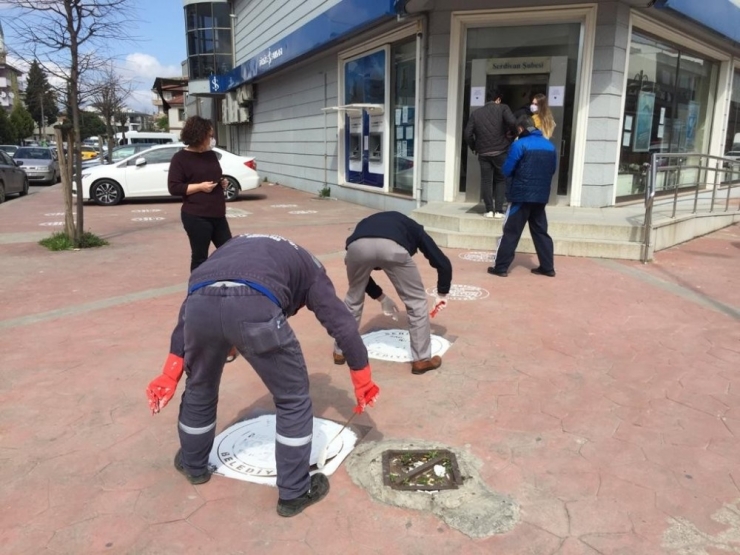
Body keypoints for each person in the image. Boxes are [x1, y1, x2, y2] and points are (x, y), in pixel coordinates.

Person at [145, 234, 379, 518]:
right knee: (293, 398)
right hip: (255, 306)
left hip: (200, 303)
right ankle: (294, 492)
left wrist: (170, 373)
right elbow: (341, 322)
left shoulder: (228, 250)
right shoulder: (310, 266)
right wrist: (362, 376)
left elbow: (189, 313)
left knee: (200, 387)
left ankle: (193, 465)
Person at [333, 211, 452, 375]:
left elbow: (362, 278)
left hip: (356, 247)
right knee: (415, 301)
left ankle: (340, 352)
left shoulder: (367, 223)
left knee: (353, 299)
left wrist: (381, 297)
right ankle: (422, 360)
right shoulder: (416, 229)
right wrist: (442, 293)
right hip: (392, 248)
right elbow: (442, 262)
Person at [487, 115, 558, 278]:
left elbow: (507, 169)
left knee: (511, 232)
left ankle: (501, 267)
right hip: (540, 197)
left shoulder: (519, 144)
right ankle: (548, 267)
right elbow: (552, 170)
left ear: (520, 129)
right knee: (541, 232)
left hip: (520, 196)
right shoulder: (550, 146)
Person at [168, 116, 232, 272]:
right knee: (200, 257)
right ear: (199, 135)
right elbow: (174, 187)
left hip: (217, 214)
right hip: (196, 216)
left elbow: (212, 175)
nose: (212, 139)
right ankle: (197, 291)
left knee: (230, 252)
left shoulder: (210, 155)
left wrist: (221, 182)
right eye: (209, 136)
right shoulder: (180, 158)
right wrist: (200, 187)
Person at [464, 87, 517, 219]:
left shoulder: (476, 113)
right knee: (500, 180)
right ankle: (499, 210)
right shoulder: (503, 108)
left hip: (483, 154)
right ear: (498, 99)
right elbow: (513, 123)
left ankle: (488, 210)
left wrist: (474, 147)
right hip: (501, 151)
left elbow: (467, 134)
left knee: (486, 181)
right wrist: (511, 137)